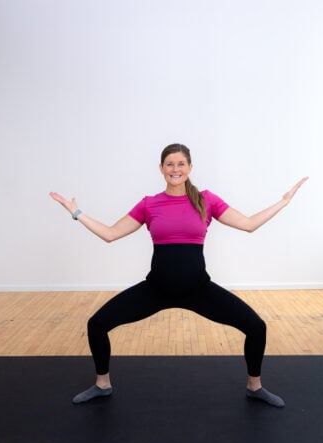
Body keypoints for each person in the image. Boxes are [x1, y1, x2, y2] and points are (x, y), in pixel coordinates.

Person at [50, 143, 308, 407]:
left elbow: (249, 224)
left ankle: (255, 386)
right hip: (156, 290)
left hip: (199, 290)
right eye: (170, 164)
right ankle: (101, 384)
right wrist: (76, 213)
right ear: (161, 169)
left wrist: (283, 202)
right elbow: (110, 234)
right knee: (97, 324)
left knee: (256, 327)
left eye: (181, 164)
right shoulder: (149, 204)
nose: (175, 169)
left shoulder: (206, 199)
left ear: (190, 167)